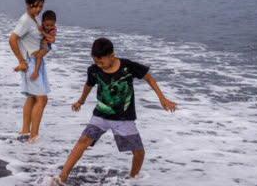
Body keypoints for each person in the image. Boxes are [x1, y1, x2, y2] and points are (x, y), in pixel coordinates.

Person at [53, 38, 177, 184]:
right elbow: (89, 85)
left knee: (139, 153)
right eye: (96, 62)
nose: (99, 65)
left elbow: (148, 78)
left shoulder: (127, 66)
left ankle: (133, 179)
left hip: (124, 119)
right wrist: (81, 101)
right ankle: (62, 177)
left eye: (101, 62)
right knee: (82, 141)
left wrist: (163, 99)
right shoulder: (94, 70)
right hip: (100, 115)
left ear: (112, 56)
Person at [9, 0, 50, 142]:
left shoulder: (36, 20)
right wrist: (21, 61)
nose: (38, 9)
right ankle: (33, 135)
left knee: (32, 98)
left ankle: (25, 131)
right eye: (35, 6)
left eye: (40, 6)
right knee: (42, 99)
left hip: (37, 62)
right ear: (28, 5)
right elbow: (12, 39)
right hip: (30, 63)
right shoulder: (25, 20)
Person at [30, 10, 57, 81]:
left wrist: (42, 31)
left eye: (52, 25)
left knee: (38, 56)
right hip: (39, 44)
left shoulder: (53, 30)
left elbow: (51, 39)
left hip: (46, 47)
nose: (49, 27)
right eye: (47, 25)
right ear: (42, 22)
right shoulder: (41, 25)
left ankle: (36, 72)